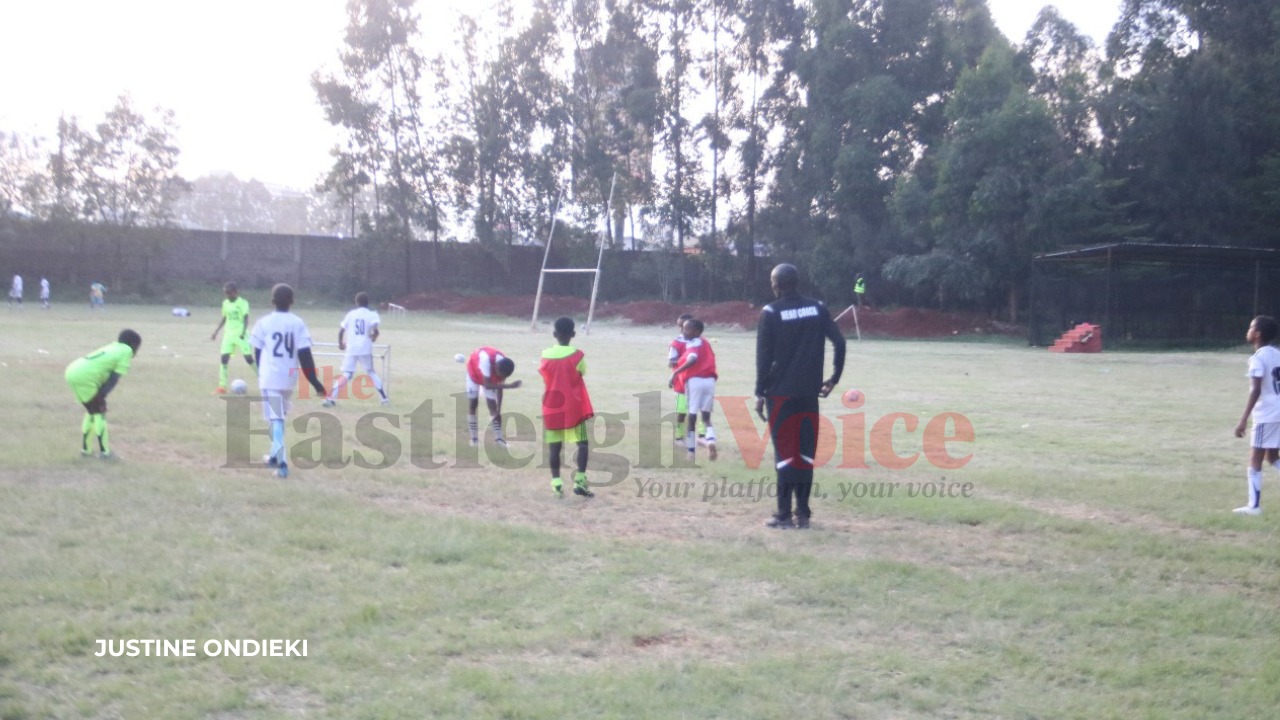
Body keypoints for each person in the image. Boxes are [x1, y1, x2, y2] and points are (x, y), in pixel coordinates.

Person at [754, 263, 846, 530]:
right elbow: (840, 342)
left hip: (779, 395)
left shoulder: (771, 312)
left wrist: (760, 392)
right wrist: (834, 378)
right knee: (805, 454)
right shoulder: (817, 307)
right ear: (797, 282)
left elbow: (764, 357)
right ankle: (803, 514)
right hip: (809, 394)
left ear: (776, 285)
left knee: (785, 454)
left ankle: (783, 516)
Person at [249, 283, 326, 479]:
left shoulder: (264, 322)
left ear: (272, 301)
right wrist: (315, 382)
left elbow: (257, 351)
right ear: (292, 302)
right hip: (288, 378)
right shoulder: (298, 323)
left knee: (275, 419)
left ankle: (282, 465)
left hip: (270, 377)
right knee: (279, 417)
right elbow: (305, 355)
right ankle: (274, 456)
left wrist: (261, 371)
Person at [539, 317, 595, 498]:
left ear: (554, 334)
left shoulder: (545, 354)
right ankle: (580, 482)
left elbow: (544, 374)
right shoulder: (578, 355)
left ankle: (556, 484)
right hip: (573, 408)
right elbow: (582, 372)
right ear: (573, 334)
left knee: (554, 448)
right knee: (583, 445)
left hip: (552, 406)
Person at [64, 329, 142, 459]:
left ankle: (86, 451)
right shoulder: (126, 351)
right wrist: (102, 395)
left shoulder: (114, 346)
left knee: (91, 411)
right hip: (85, 377)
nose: (136, 351)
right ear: (133, 344)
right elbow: (115, 378)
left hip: (73, 370)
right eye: (137, 347)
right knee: (99, 412)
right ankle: (105, 453)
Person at [1233, 315, 1280, 515]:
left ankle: (1254, 506)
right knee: (1273, 457)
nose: (1248, 330)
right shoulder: (1277, 354)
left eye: (1251, 327)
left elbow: (1256, 389)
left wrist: (1243, 419)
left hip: (1267, 414)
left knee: (1255, 459)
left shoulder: (1258, 358)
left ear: (1257, 334)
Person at [322, 291, 389, 407]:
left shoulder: (351, 314)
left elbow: (341, 331)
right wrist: (373, 337)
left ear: (356, 302)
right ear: (368, 303)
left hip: (351, 347)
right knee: (371, 372)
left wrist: (340, 344)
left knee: (347, 373)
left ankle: (331, 397)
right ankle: (384, 398)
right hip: (365, 347)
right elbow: (376, 332)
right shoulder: (372, 314)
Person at [669, 318, 719, 462]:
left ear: (696, 331)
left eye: (686, 329)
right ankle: (710, 440)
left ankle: (691, 453)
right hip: (709, 381)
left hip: (694, 381)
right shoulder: (706, 342)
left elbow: (692, 358)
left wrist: (675, 372)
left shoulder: (693, 343)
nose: (683, 332)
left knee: (691, 417)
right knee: (706, 417)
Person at [465, 346, 521, 447]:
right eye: (500, 375)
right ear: (495, 368)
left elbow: (500, 386)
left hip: (489, 379)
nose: (501, 378)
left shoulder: (504, 367)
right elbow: (487, 385)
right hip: (474, 372)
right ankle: (474, 439)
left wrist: (499, 408)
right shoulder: (486, 360)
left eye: (504, 377)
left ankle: (499, 440)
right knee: (473, 403)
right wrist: (510, 386)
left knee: (493, 407)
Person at [210, 281, 256, 394]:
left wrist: (243, 332)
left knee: (248, 359)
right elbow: (224, 318)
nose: (228, 296)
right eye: (226, 294)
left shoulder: (243, 303)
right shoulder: (225, 303)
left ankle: (264, 379)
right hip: (229, 335)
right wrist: (216, 332)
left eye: (229, 293)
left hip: (241, 335)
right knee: (224, 359)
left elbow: (246, 318)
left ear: (235, 292)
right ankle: (222, 387)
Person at [667, 312, 705, 446]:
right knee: (682, 410)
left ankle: (702, 435)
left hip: (697, 379)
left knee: (701, 408)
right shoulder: (677, 342)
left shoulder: (700, 342)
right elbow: (672, 361)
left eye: (685, 328)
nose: (683, 331)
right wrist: (675, 363)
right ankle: (679, 437)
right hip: (682, 380)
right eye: (681, 328)